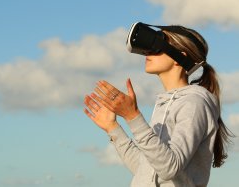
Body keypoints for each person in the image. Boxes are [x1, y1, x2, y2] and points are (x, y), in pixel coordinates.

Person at [83, 23, 233, 187]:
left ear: (179, 58)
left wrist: (132, 116)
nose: (147, 52)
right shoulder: (166, 103)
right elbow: (147, 172)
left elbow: (170, 168)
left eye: (157, 45)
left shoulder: (194, 103)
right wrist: (113, 129)